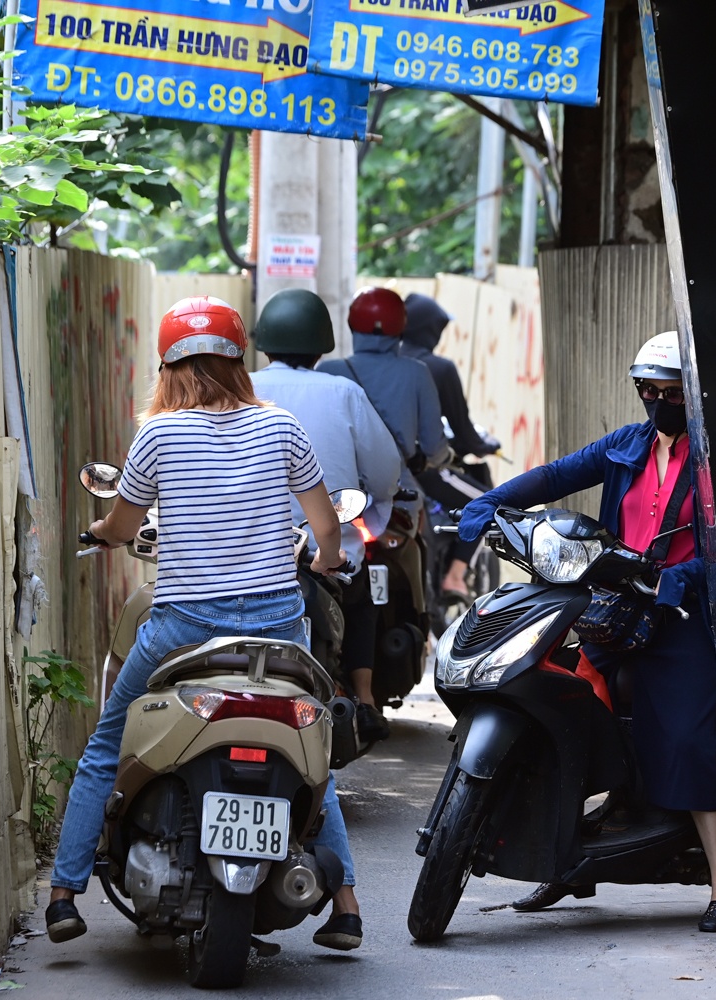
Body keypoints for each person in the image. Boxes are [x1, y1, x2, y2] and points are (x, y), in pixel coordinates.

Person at [44, 296, 368, 953]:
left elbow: (125, 525)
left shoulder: (160, 436)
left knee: (107, 744)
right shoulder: (281, 427)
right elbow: (327, 525)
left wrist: (102, 532)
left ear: (166, 367)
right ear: (239, 360)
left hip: (185, 628)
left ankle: (63, 895)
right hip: (279, 629)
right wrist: (327, 558)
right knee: (312, 761)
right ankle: (346, 908)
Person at [456, 331, 716, 934]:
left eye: (670, 391)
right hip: (613, 608)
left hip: (680, 615)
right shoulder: (628, 445)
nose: (658, 400)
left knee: (691, 741)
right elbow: (557, 475)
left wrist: (682, 577)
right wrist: (492, 501)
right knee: (567, 714)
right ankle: (566, 862)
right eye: (648, 389)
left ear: (693, 392)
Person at [250, 289, 403, 744]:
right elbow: (384, 471)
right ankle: (366, 700)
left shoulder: (243, 389)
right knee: (361, 600)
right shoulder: (345, 392)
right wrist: (378, 497)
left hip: (249, 555)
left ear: (264, 341)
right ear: (323, 345)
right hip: (324, 555)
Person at [398, 293, 500, 601]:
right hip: (427, 469)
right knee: (489, 504)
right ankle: (455, 575)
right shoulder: (439, 368)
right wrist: (484, 446)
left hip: (388, 468)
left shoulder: (390, 365)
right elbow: (463, 431)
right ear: (432, 330)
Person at [317, 287, 449, 506]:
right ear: (401, 327)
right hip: (397, 492)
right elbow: (433, 446)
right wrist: (445, 458)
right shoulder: (417, 372)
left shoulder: (328, 370)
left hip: (337, 494)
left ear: (352, 325)